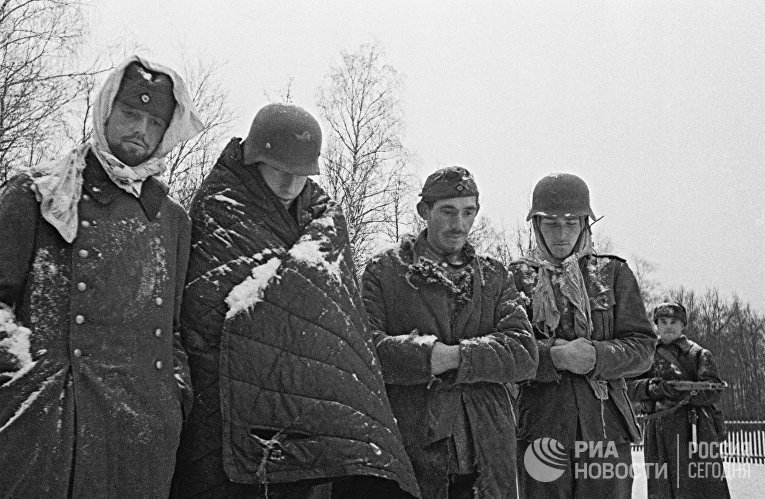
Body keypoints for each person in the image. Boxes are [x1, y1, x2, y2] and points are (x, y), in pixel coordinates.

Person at [172, 103, 419, 498]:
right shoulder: (217, 210)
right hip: (225, 409)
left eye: (302, 175)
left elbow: (341, 326)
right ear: (254, 160)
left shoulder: (324, 220)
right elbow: (201, 314)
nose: (291, 185)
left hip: (309, 414)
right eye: (281, 171)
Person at [0, 56, 204, 496]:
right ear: (106, 110)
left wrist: (173, 397)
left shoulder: (172, 220)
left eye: (154, 122)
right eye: (131, 114)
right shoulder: (38, 193)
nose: (141, 131)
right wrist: (20, 379)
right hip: (49, 424)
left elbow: (172, 330)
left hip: (140, 431)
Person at [362, 166, 539, 498]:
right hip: (414, 444)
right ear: (424, 211)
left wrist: (455, 357)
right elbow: (368, 352)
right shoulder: (383, 272)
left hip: (487, 448)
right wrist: (427, 357)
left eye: (468, 212)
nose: (459, 224)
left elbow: (524, 354)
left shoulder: (494, 275)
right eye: (448, 211)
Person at [509, 172, 656, 498]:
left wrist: (597, 357)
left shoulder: (613, 273)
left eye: (571, 223)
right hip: (541, 429)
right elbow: (509, 352)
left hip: (605, 428)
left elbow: (644, 348)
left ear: (585, 225)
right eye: (551, 224)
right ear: (536, 227)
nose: (561, 234)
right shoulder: (516, 279)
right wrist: (553, 356)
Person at [628, 301, 731, 498]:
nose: (668, 326)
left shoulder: (698, 354)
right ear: (656, 325)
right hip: (657, 431)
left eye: (674, 321)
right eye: (663, 321)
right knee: (661, 488)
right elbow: (630, 388)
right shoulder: (646, 356)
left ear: (682, 325)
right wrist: (653, 388)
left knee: (700, 486)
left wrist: (683, 394)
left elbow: (713, 390)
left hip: (694, 430)